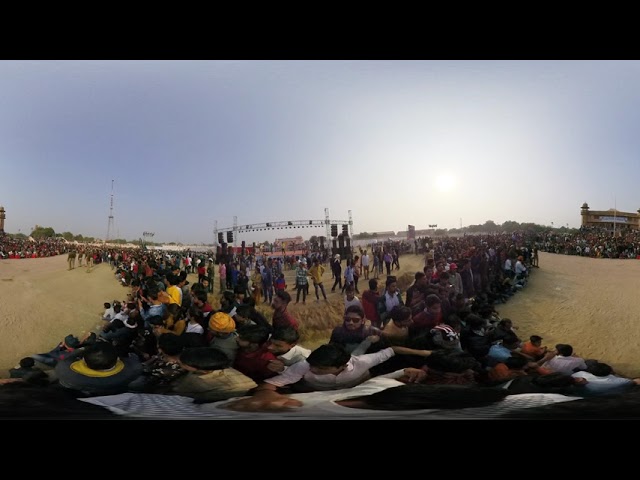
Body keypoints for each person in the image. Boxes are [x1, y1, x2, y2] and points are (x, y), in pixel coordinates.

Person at [54, 340, 143, 397]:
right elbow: (134, 361)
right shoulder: (133, 368)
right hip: (111, 393)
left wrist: (83, 349)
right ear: (118, 359)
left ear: (84, 361)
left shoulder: (64, 369)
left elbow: (67, 358)